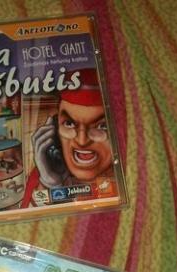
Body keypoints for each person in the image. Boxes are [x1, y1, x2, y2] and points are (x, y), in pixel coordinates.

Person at [22, 68, 115, 207]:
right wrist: (51, 184)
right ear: (55, 128)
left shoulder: (127, 173)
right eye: (69, 124)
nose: (82, 141)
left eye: (101, 126)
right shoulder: (42, 174)